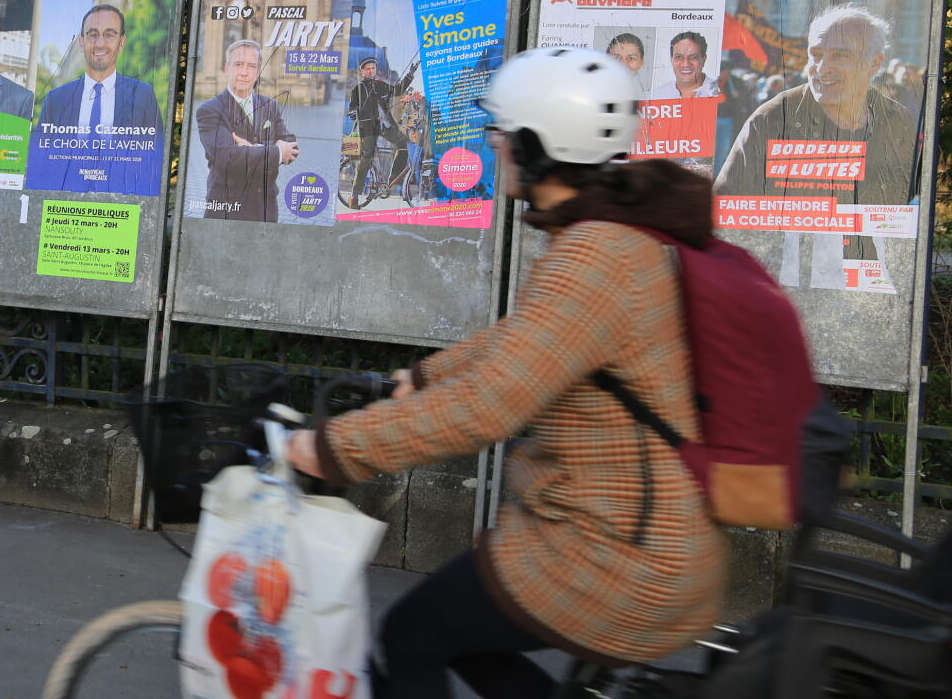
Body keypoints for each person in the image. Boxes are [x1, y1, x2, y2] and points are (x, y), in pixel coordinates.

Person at [286, 47, 726, 698]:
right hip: (631, 532)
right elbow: (531, 342)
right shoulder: (611, 236)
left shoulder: (592, 256)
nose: (493, 146)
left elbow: (487, 409)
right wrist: (425, 378)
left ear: (536, 144)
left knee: (412, 633)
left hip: (617, 554)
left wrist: (330, 449)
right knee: (461, 637)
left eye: (501, 133)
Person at [714, 5, 917, 290]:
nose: (822, 68)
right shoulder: (773, 118)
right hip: (784, 285)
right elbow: (725, 209)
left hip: (866, 288)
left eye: (841, 56)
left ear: (874, 64)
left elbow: (910, 204)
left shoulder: (896, 122)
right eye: (816, 55)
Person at [195, 39, 299, 221]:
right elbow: (226, 158)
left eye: (251, 66)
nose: (244, 72)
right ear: (227, 69)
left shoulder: (270, 105)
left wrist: (251, 148)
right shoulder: (210, 110)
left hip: (265, 207)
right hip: (226, 208)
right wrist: (275, 151)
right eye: (238, 65)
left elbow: (291, 144)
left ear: (258, 72)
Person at [35, 4, 161, 131]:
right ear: (81, 43)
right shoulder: (55, 100)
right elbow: (41, 149)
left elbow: (156, 149)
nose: (100, 44)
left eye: (109, 35)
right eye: (92, 34)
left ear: (121, 42)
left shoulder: (144, 96)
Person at [346, 56, 417, 209]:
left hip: (385, 126)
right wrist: (354, 113)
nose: (371, 71)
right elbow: (351, 109)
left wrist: (410, 74)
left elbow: (398, 90)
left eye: (373, 68)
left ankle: (393, 179)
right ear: (362, 71)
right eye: (368, 69)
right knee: (366, 159)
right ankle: (354, 196)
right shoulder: (358, 88)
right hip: (368, 129)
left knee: (404, 145)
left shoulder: (381, 85)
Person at [649, 31, 721, 99]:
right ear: (671, 60)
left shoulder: (720, 92)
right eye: (679, 57)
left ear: (703, 60)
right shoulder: (657, 95)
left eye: (693, 57)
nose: (685, 64)